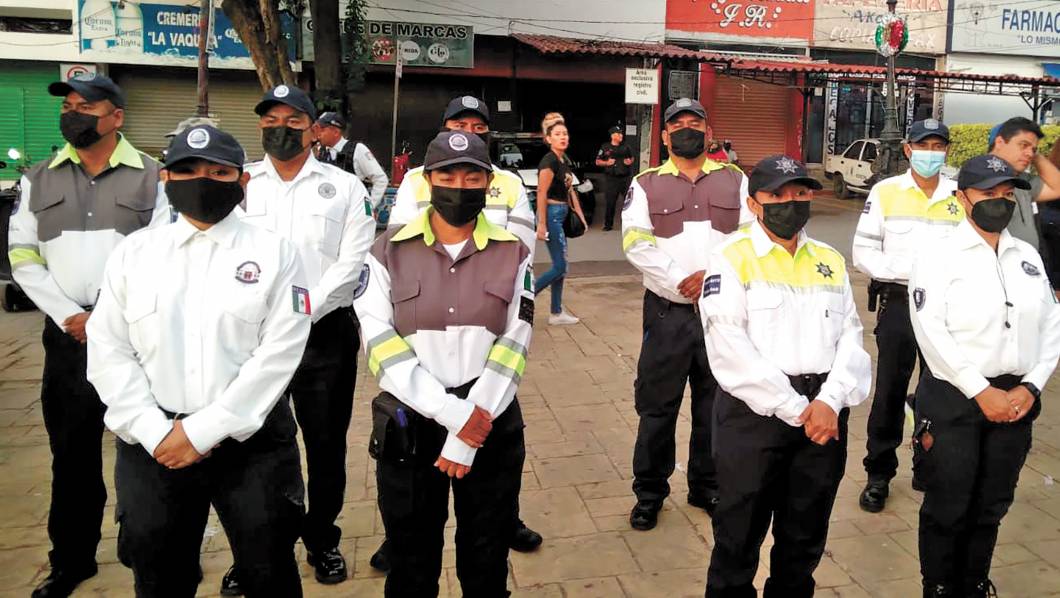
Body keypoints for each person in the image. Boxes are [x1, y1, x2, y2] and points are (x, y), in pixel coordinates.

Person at [86, 126, 312, 598]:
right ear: (166, 178)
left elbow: (280, 353)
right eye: (187, 170)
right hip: (153, 444)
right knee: (158, 574)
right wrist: (153, 429)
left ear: (242, 182)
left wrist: (203, 430)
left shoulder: (276, 253)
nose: (202, 180)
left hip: (252, 444)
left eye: (218, 172)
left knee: (270, 568)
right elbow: (108, 348)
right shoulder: (134, 254)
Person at [7, 73, 168, 598]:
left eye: (86, 107)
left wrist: (105, 318)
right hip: (67, 339)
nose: (73, 114)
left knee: (145, 445)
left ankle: (146, 547)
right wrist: (68, 315)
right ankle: (71, 560)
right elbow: (23, 256)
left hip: (137, 336)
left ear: (116, 117)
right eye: (68, 106)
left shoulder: (153, 177)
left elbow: (162, 256)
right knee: (72, 455)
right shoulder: (38, 179)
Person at [355, 130, 534, 597]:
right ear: (427, 181)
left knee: (486, 557)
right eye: (447, 176)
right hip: (411, 422)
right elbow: (379, 343)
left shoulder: (514, 253)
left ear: (488, 183)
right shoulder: (386, 252)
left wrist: (472, 423)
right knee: (411, 561)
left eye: (472, 176)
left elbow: (515, 341)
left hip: (489, 417)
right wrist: (453, 415)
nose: (459, 186)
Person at [223, 84, 376, 593]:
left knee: (325, 445)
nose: (281, 129)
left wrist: (301, 312)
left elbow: (351, 262)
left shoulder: (345, 188)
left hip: (323, 335)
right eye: (271, 120)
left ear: (314, 129)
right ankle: (256, 548)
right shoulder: (241, 184)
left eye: (293, 121)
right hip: (252, 337)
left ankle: (322, 538)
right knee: (252, 444)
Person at [701, 154, 871, 597]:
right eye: (776, 195)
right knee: (738, 536)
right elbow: (730, 348)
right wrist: (798, 408)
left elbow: (851, 335)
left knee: (804, 538)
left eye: (798, 192)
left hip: (824, 413)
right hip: (755, 415)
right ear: (754, 203)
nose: (789, 202)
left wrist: (830, 400)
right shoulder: (730, 257)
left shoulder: (829, 259)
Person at [910, 154, 1060, 597]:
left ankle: (974, 581)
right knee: (948, 501)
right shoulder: (938, 255)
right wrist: (980, 391)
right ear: (962, 198)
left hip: (1016, 398)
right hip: (956, 397)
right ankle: (940, 586)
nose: (1000, 201)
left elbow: (1051, 325)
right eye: (988, 193)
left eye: (1007, 194)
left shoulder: (1026, 255)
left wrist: (1032, 385)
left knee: (992, 501)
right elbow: (931, 331)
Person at [622, 97, 750, 530]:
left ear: (708, 133)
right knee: (657, 408)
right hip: (667, 314)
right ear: (665, 136)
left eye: (695, 123)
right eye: (678, 125)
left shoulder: (735, 180)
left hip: (721, 312)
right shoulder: (645, 184)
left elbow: (750, 236)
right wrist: (681, 279)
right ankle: (649, 493)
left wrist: (710, 277)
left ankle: (706, 486)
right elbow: (635, 242)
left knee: (715, 405)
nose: (687, 130)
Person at [853, 119, 961, 512]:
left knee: (941, 390)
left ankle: (927, 465)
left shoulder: (960, 193)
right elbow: (863, 253)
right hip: (899, 302)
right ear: (908, 150)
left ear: (946, 150)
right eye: (923, 145)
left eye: (938, 145)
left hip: (947, 308)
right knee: (890, 390)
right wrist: (913, 271)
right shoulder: (886, 192)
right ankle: (879, 473)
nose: (931, 152)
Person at [388, 96, 536, 250]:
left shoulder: (511, 185)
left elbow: (521, 253)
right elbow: (398, 247)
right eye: (460, 126)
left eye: (479, 127)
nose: (469, 133)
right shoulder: (414, 180)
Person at [536, 119, 587, 325]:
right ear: (548, 139)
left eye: (564, 133)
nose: (562, 137)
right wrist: (541, 223)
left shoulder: (563, 161)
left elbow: (570, 190)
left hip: (562, 213)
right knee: (559, 267)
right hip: (552, 215)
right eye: (557, 134)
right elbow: (541, 192)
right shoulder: (549, 161)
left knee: (561, 267)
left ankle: (556, 313)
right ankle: (524, 299)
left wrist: (580, 216)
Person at [988, 117, 1060, 251]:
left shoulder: (1024, 180)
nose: (1030, 154)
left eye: (1034, 149)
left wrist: (1034, 155)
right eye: (1023, 145)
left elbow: (1057, 188)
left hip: (1027, 261)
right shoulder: (975, 178)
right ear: (999, 142)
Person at [313, 111, 389, 211]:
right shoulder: (321, 152)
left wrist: (368, 208)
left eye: (322, 130)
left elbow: (380, 179)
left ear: (336, 132)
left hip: (353, 212)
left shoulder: (357, 150)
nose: (318, 134)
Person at [595, 125, 635, 231]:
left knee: (628, 202)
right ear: (612, 136)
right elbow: (597, 161)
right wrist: (606, 163)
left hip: (625, 178)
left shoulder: (626, 147)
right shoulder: (605, 147)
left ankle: (628, 224)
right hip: (611, 179)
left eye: (621, 133)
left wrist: (629, 161)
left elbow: (632, 158)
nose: (621, 135)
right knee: (610, 202)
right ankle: (608, 225)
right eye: (618, 133)